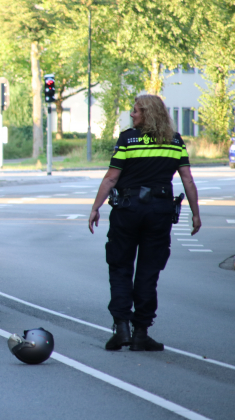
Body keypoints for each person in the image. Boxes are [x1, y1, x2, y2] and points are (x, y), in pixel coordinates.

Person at [88, 94, 201, 351]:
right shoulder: (174, 140)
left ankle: (122, 330)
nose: (132, 115)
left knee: (120, 267)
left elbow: (111, 179)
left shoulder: (128, 139)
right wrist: (195, 213)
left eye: (136, 111)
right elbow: (188, 180)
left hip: (128, 210)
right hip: (159, 212)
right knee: (149, 271)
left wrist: (95, 208)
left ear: (147, 114)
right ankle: (141, 333)